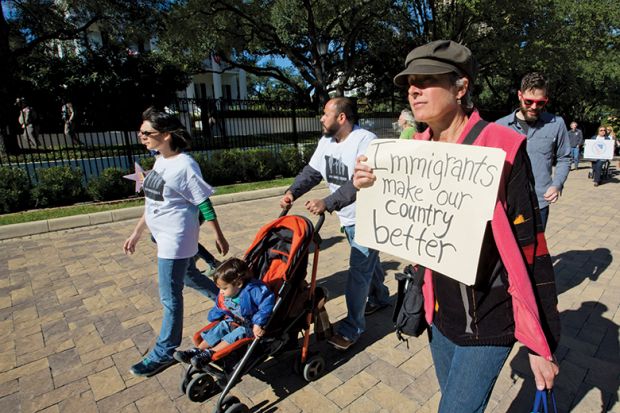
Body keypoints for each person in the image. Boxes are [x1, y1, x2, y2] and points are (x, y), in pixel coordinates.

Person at [353, 40, 560, 412]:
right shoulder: (409, 152)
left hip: (490, 318)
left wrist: (541, 341)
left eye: (426, 80)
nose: (413, 90)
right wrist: (370, 185)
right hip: (439, 315)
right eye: (410, 83)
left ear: (461, 88)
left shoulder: (503, 147)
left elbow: (531, 249)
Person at [123, 107, 229, 377]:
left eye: (147, 132)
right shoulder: (160, 160)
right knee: (190, 276)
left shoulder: (185, 164)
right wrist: (137, 232)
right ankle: (228, 301)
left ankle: (165, 351)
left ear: (167, 134)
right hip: (164, 236)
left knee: (169, 297)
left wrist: (218, 234)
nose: (141, 136)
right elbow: (152, 202)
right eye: (141, 131)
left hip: (176, 239)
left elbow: (202, 200)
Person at [279, 96, 390, 351]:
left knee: (358, 272)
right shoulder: (327, 141)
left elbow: (359, 182)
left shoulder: (366, 141)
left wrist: (327, 202)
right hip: (348, 216)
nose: (321, 118)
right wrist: (292, 192)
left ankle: (352, 329)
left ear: (341, 118)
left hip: (368, 216)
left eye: (325, 114)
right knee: (366, 262)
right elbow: (312, 172)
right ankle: (381, 297)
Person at [496, 72, 571, 230]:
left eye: (540, 103)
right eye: (528, 101)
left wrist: (557, 185)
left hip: (540, 202)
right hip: (506, 204)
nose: (534, 107)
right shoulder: (499, 127)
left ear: (546, 101)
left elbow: (564, 158)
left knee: (535, 252)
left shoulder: (557, 124)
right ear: (519, 95)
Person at [173, 257, 275, 370]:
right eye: (220, 288)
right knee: (220, 327)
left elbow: (266, 305)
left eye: (224, 288)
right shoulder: (228, 292)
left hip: (249, 325)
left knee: (233, 336)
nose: (221, 291)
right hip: (233, 320)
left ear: (239, 283)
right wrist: (214, 315)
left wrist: (258, 323)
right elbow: (220, 305)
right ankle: (198, 350)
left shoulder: (255, 290)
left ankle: (210, 353)